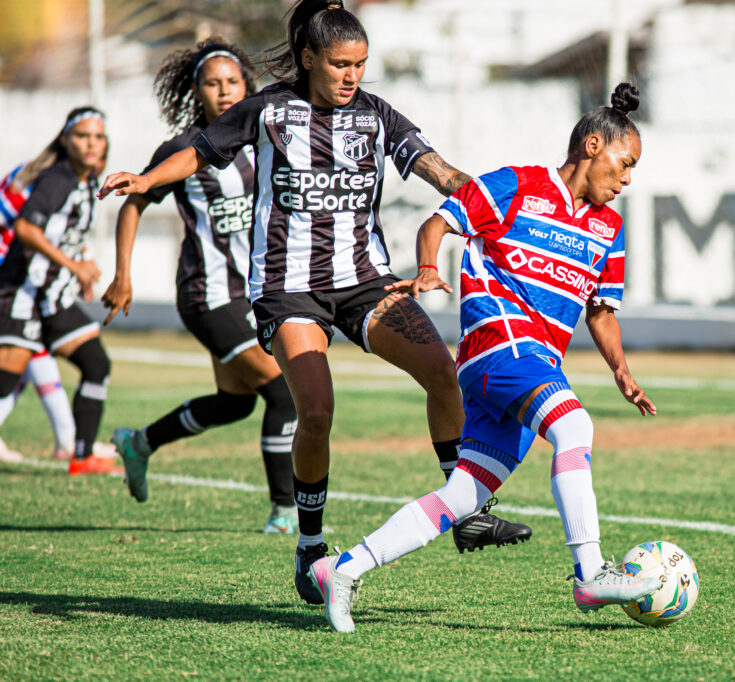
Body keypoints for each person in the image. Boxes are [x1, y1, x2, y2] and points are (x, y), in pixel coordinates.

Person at [98, 0, 531, 603]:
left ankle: (469, 512)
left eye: (360, 64)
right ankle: (308, 545)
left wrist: (506, 206)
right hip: (287, 288)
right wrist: (146, 182)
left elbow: (440, 172)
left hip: (367, 282)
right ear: (308, 58)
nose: (352, 76)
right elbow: (198, 150)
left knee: (443, 373)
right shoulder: (269, 109)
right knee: (318, 411)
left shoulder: (376, 115)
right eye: (339, 64)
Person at [304, 83, 661, 633]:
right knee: (575, 427)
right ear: (593, 145)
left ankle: (344, 568)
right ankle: (590, 572)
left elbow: (601, 312)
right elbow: (437, 222)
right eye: (625, 163)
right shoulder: (517, 185)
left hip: (532, 365)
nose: (627, 179)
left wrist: (621, 370)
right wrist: (426, 267)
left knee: (462, 495)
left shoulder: (609, 229)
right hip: (500, 348)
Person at [101, 38, 301, 534]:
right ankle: (284, 512)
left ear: (247, 85)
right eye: (212, 83)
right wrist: (122, 275)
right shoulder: (181, 150)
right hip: (206, 296)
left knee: (235, 402)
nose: (224, 91)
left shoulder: (261, 142)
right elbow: (135, 203)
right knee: (285, 396)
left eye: (232, 81)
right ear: (197, 90)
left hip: (251, 294)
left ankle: (139, 442)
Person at [0, 106, 119, 475]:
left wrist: (80, 266)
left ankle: (81, 456)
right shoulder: (59, 178)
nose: (91, 144)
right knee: (6, 380)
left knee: (96, 363)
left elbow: (62, 234)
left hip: (52, 299)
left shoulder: (85, 182)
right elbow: (26, 230)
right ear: (66, 140)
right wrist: (75, 267)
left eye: (98, 137)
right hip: (23, 294)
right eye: (83, 136)